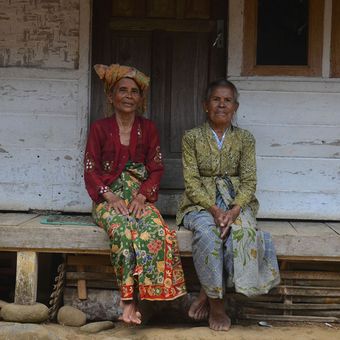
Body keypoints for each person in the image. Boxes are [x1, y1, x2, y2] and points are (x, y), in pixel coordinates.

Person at [84, 64, 186, 325]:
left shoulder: (148, 128)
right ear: (110, 96)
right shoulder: (99, 128)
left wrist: (142, 197)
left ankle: (147, 299)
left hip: (139, 197)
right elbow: (90, 169)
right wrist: (110, 197)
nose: (129, 96)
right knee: (121, 231)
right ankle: (128, 302)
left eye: (134, 92)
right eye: (122, 90)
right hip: (109, 199)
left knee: (157, 232)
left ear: (140, 99)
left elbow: (156, 168)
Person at [176, 79, 280, 331]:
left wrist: (234, 211)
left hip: (236, 203)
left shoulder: (245, 139)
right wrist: (214, 210)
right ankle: (217, 306)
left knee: (241, 233)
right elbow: (191, 181)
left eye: (227, 100)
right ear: (205, 105)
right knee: (208, 234)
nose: (221, 105)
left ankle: (204, 291)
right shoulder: (192, 137)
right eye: (216, 99)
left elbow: (249, 180)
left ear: (235, 107)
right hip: (200, 204)